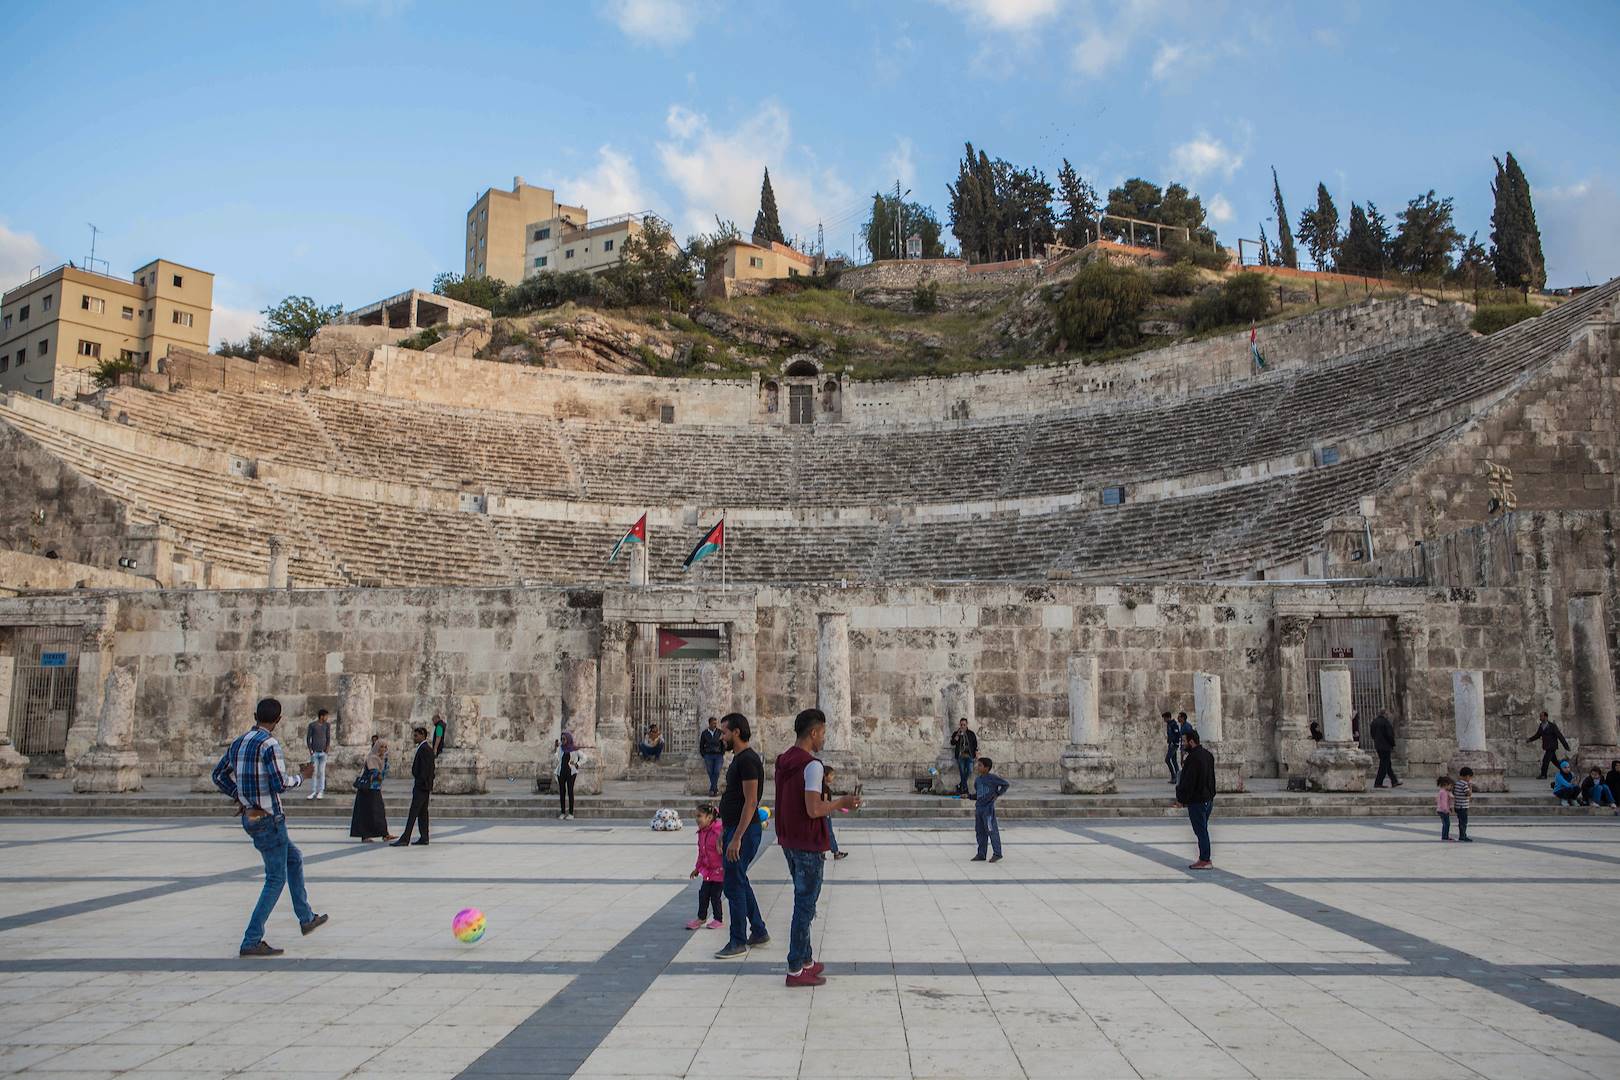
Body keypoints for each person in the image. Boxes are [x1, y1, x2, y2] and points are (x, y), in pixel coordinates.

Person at [211, 697, 327, 957]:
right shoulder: (269, 744)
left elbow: (218, 775)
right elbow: (279, 784)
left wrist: (240, 796)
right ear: (279, 720)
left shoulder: (239, 742)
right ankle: (252, 939)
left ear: (254, 715)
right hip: (268, 819)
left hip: (250, 817)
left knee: (294, 859)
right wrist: (302, 777)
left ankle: (306, 917)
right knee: (275, 878)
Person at [774, 708, 862, 986]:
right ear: (813, 733)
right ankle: (794, 969)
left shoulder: (784, 760)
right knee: (805, 906)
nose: (824, 738)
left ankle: (807, 959)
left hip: (789, 840)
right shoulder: (812, 766)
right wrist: (841, 802)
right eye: (823, 733)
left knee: (804, 901)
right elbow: (813, 809)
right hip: (808, 843)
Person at [714, 713, 768, 959]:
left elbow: (751, 801)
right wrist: (725, 833)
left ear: (736, 732)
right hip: (735, 829)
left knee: (733, 884)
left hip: (744, 831)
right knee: (739, 880)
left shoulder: (747, 760)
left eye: (724, 732)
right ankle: (758, 930)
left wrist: (736, 838)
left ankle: (737, 940)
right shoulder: (740, 759)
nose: (721, 736)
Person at [1173, 728, 1216, 869]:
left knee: (1201, 831)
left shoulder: (1192, 759)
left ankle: (1205, 860)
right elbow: (1212, 779)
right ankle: (1204, 858)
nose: (1182, 744)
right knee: (1203, 829)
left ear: (1191, 741)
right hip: (1207, 799)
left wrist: (1181, 799)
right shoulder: (1208, 755)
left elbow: (1187, 782)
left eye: (1184, 741)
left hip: (1197, 801)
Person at [393, 726, 434, 846]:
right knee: (422, 813)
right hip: (424, 786)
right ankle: (424, 837)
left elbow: (426, 770)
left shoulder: (425, 749)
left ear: (422, 735)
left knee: (413, 812)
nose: (414, 738)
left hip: (421, 786)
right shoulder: (425, 748)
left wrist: (421, 781)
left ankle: (405, 838)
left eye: (416, 735)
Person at [687, 803, 725, 930]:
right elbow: (701, 853)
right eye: (696, 816)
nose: (697, 819)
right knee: (703, 894)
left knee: (715, 896)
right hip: (708, 871)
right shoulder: (702, 833)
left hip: (719, 871)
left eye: (699, 816)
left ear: (709, 817)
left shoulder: (718, 832)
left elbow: (723, 849)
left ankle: (718, 919)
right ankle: (701, 918)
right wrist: (697, 868)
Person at [349, 737, 392, 843]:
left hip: (375, 789)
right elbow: (375, 773)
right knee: (367, 812)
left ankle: (384, 833)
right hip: (367, 789)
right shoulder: (372, 758)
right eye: (381, 747)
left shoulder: (382, 759)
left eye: (385, 747)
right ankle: (365, 835)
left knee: (379, 811)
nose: (383, 749)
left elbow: (383, 773)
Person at [970, 756, 1010, 863]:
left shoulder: (992, 778)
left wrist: (997, 794)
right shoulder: (978, 780)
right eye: (977, 765)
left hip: (988, 810)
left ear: (987, 768)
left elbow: (1005, 784)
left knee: (991, 831)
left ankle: (997, 853)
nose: (977, 767)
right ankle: (981, 854)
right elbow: (978, 794)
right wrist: (968, 796)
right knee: (980, 832)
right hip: (979, 809)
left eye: (980, 765)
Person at [1526, 712, 1571, 779]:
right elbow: (1537, 735)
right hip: (1547, 747)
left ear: (1546, 717)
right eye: (1540, 716)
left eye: (1541, 716)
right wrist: (1530, 739)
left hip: (1552, 746)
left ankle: (1543, 775)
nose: (1540, 718)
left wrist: (1566, 746)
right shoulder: (1541, 726)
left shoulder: (1552, 726)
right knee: (1555, 761)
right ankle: (1565, 771)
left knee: (1545, 760)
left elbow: (1559, 736)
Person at [304, 708, 332, 800]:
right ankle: (314, 791)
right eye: (326, 716)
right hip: (315, 752)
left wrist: (327, 748)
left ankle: (321, 791)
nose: (327, 718)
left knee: (321, 772)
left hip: (323, 752)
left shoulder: (327, 725)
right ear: (322, 716)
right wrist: (310, 750)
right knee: (314, 772)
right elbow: (308, 738)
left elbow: (328, 737)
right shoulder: (312, 725)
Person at [823, 764, 849, 860]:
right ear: (825, 776)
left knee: (825, 833)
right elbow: (825, 802)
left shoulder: (824, 787)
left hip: (826, 813)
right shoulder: (824, 788)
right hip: (825, 814)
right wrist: (837, 805)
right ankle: (836, 853)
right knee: (829, 833)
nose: (833, 777)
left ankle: (822, 853)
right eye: (831, 775)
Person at [1370, 709, 1401, 788]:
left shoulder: (1374, 722)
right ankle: (1378, 782)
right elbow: (1389, 735)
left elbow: (1372, 734)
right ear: (1385, 714)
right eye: (1387, 714)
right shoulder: (1386, 723)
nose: (1388, 715)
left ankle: (1394, 781)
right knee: (1384, 765)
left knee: (1387, 764)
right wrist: (1392, 744)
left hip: (1378, 746)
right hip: (1385, 746)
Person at [949, 718, 978, 796]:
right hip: (960, 755)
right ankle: (965, 789)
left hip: (970, 755)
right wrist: (957, 735)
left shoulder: (971, 733)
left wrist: (976, 754)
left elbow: (975, 744)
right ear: (960, 725)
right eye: (961, 725)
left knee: (970, 770)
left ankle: (961, 785)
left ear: (967, 724)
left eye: (964, 725)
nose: (962, 726)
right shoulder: (956, 733)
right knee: (962, 772)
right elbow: (952, 743)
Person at [698, 715, 726, 797]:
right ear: (709, 724)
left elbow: (723, 744)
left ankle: (712, 789)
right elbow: (701, 745)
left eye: (715, 723)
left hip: (718, 755)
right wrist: (704, 754)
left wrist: (722, 753)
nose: (715, 725)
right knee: (710, 772)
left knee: (716, 771)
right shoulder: (704, 733)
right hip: (708, 755)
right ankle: (715, 789)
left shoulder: (720, 732)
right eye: (713, 723)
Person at [554, 732, 579, 820]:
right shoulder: (560, 748)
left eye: (564, 739)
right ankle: (562, 812)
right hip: (561, 772)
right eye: (562, 739)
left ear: (568, 739)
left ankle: (571, 813)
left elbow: (584, 757)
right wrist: (556, 748)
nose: (562, 741)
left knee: (570, 791)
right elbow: (557, 757)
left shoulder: (574, 749)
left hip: (571, 772)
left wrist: (577, 764)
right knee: (562, 792)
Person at [1453, 767, 1474, 841]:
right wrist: (1470, 787)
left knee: (1461, 821)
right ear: (1467, 776)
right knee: (1464, 822)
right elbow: (1468, 794)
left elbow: (1454, 792)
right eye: (1470, 777)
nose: (1470, 779)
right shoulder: (1465, 784)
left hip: (1457, 806)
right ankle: (1463, 836)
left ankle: (1462, 835)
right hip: (1463, 807)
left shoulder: (1457, 783)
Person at [1163, 711, 1182, 783]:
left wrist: (1174, 743)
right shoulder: (1169, 724)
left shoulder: (1173, 724)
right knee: (1174, 761)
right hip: (1171, 744)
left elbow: (1177, 734)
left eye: (1164, 718)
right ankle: (1177, 778)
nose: (1164, 720)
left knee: (1167, 760)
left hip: (1173, 745)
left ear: (1168, 717)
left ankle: (1174, 776)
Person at [1435, 775, 1454, 841]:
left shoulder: (1443, 791)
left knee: (1445, 824)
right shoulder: (1443, 792)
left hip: (1441, 810)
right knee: (1447, 824)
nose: (1451, 787)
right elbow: (1443, 803)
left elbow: (1450, 798)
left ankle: (1445, 836)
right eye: (1450, 785)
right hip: (1443, 811)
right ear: (1445, 784)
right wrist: (1446, 810)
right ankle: (1445, 837)